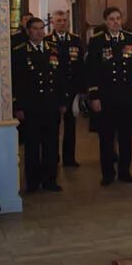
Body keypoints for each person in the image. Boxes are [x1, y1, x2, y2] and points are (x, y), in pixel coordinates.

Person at [86, 7, 132, 186]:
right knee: (106, 138)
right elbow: (91, 71)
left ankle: (125, 171)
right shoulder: (97, 41)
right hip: (106, 97)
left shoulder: (130, 39)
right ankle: (108, 173)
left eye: (118, 18)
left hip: (126, 96)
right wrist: (94, 96)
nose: (116, 22)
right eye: (111, 19)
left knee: (126, 136)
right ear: (105, 21)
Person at [12, 17, 66, 193]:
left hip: (51, 105)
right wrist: (18, 106)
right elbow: (17, 82)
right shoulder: (20, 52)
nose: (39, 32)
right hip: (31, 107)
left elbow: (60, 78)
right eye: (35, 29)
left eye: (41, 28)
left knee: (51, 144)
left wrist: (62, 101)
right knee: (32, 146)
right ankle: (33, 182)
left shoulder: (53, 49)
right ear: (28, 31)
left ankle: (50, 180)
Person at [46, 10, 85, 168]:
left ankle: (69, 158)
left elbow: (81, 65)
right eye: (59, 20)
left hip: (71, 89)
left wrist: (81, 90)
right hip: (54, 90)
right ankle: (53, 158)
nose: (62, 23)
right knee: (53, 126)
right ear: (53, 23)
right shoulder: (48, 41)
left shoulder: (75, 40)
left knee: (70, 126)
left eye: (64, 20)